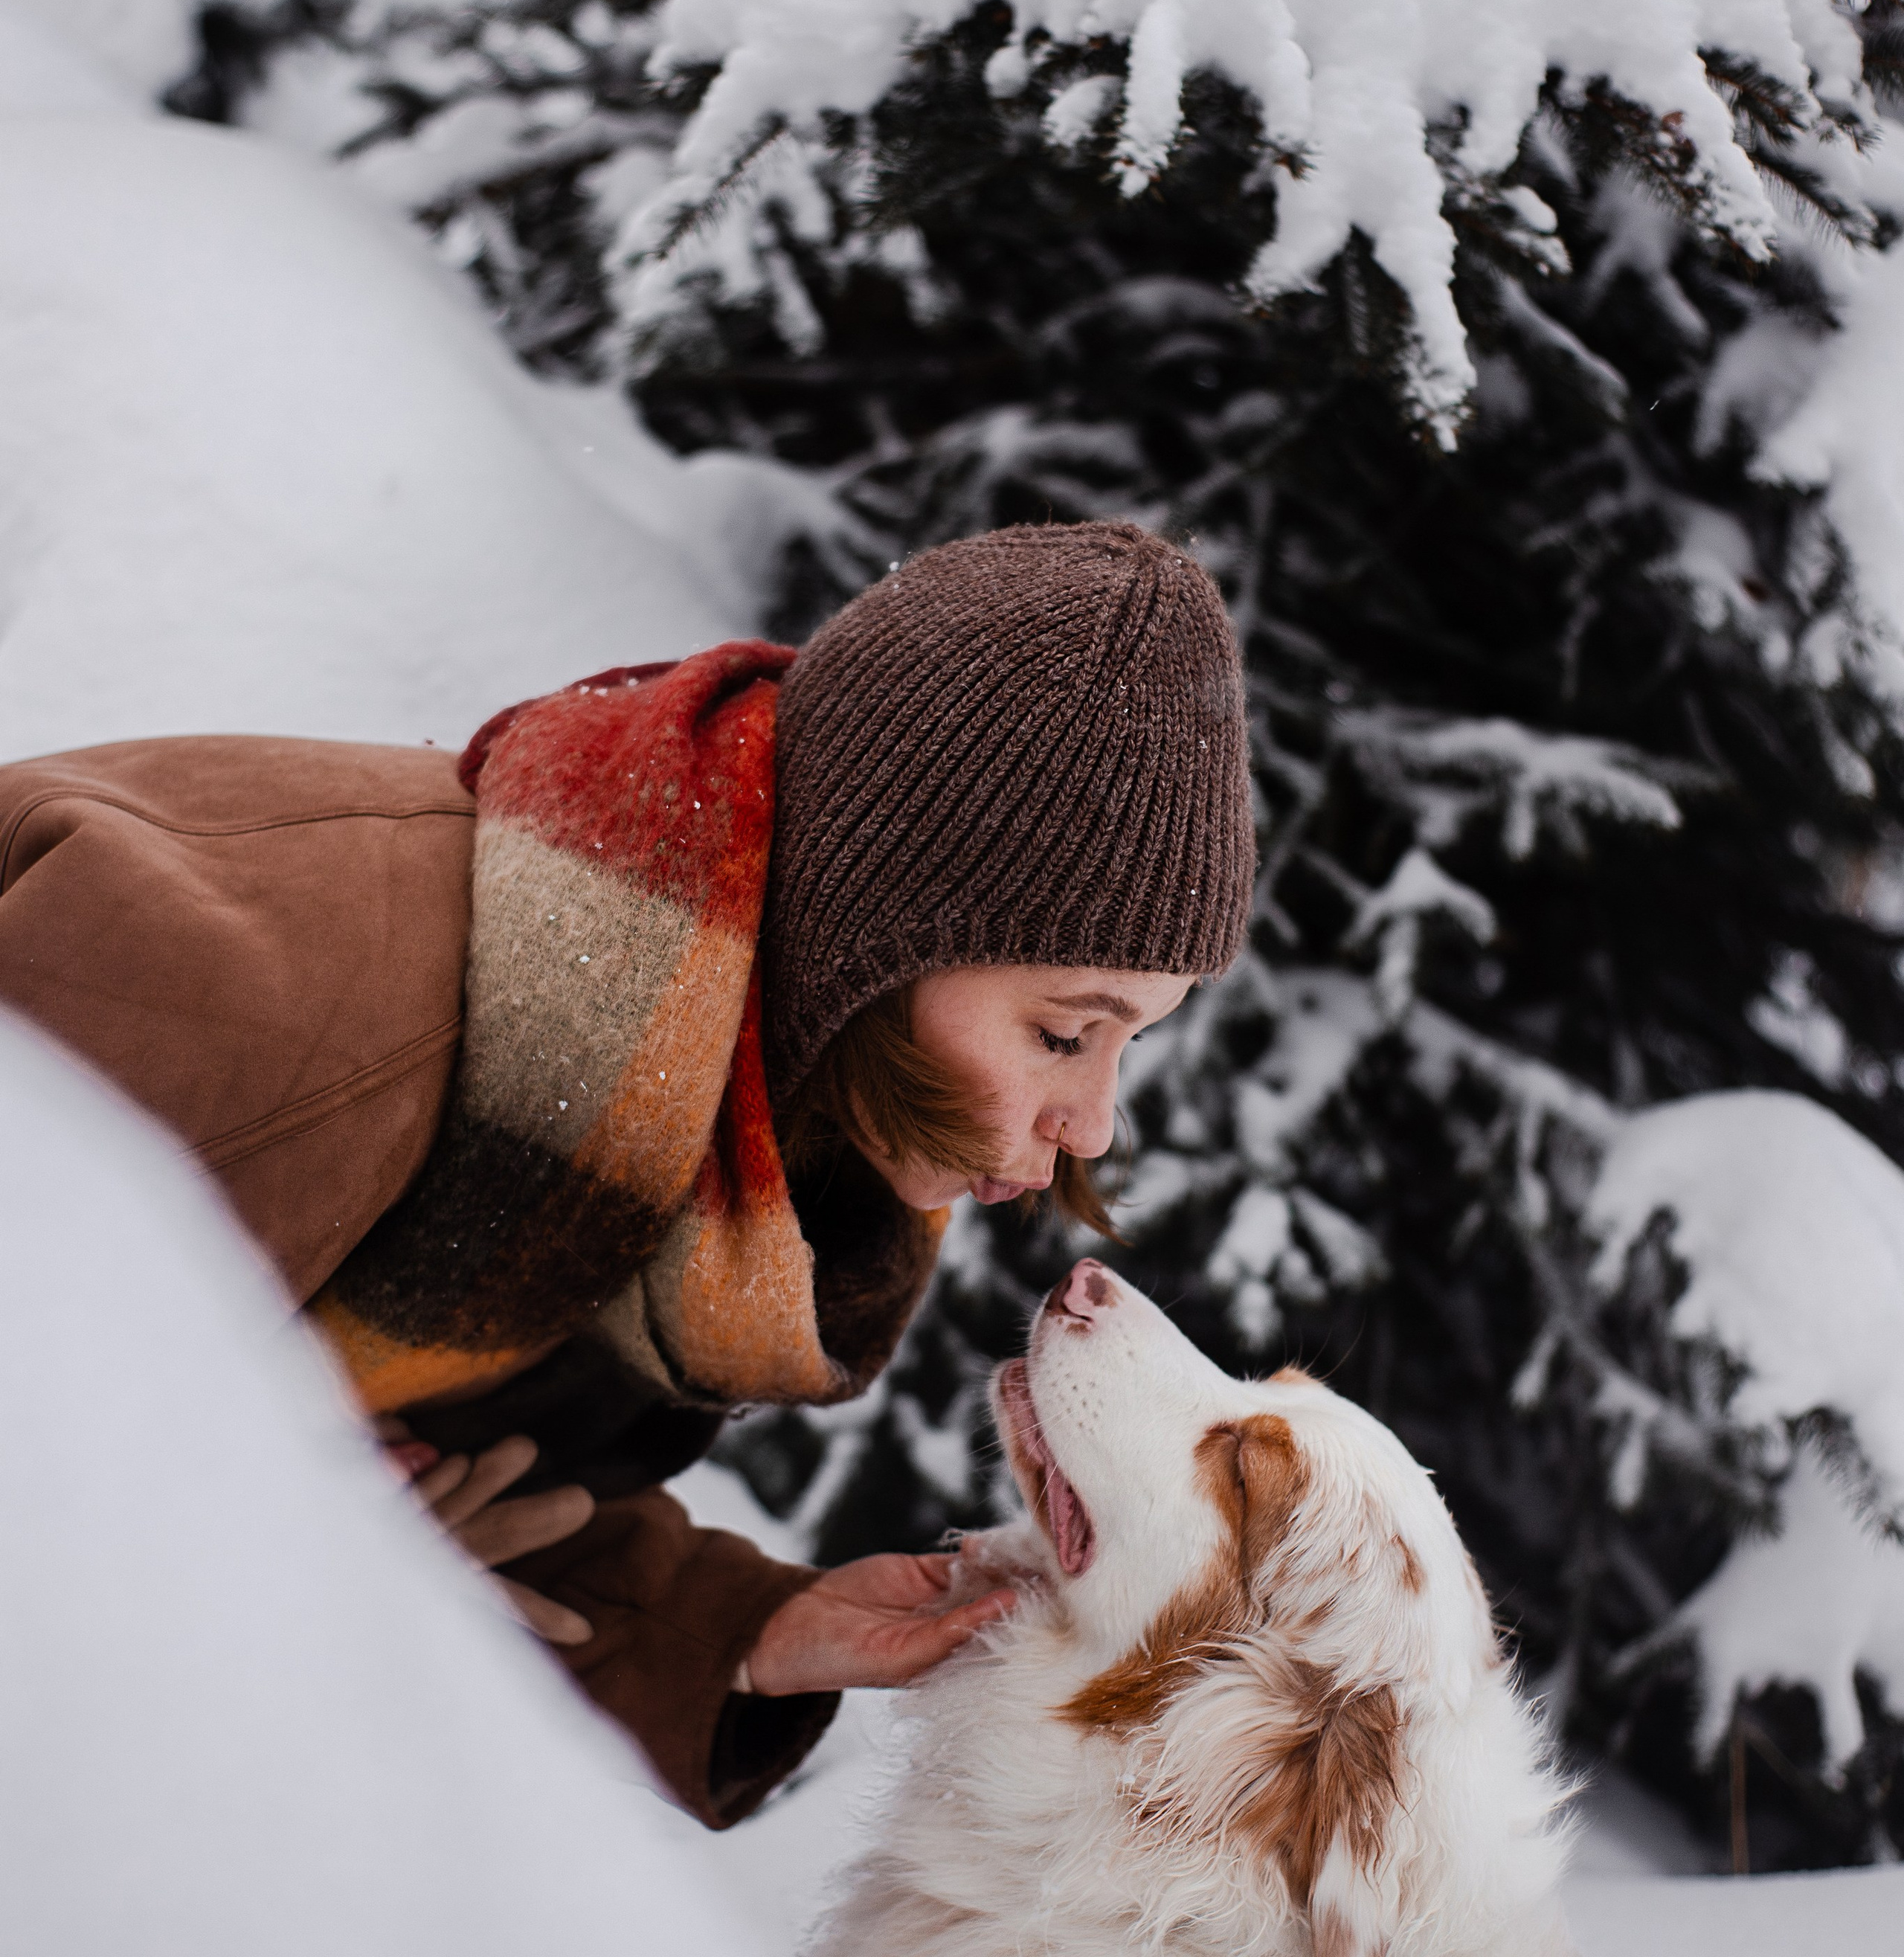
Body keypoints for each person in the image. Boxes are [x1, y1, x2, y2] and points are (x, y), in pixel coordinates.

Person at [0, 521, 1253, 1825]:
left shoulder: (652, 1112)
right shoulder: (285, 994)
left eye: (1131, 1047)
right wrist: (293, 1543)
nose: (1095, 1126)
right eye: (1064, 1032)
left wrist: (724, 1631)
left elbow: (417, 1479)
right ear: (867, 943)